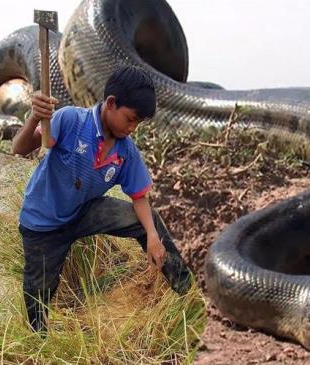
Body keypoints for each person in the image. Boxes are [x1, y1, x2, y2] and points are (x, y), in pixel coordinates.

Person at [11, 65, 191, 333]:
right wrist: (35, 119)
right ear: (110, 103)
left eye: (138, 123)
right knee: (39, 290)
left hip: (83, 212)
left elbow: (140, 196)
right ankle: (38, 338)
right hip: (43, 223)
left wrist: (152, 236)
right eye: (130, 119)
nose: (132, 128)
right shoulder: (71, 120)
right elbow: (20, 147)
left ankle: (184, 289)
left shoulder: (125, 150)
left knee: (147, 221)